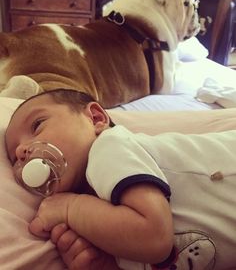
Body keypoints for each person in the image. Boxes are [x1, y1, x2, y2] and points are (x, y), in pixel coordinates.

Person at [5, 89, 236, 270]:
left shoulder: (109, 147)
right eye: (14, 157)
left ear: (95, 118)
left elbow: (154, 238)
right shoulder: (99, 212)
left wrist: (70, 208)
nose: (21, 152)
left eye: (37, 125)